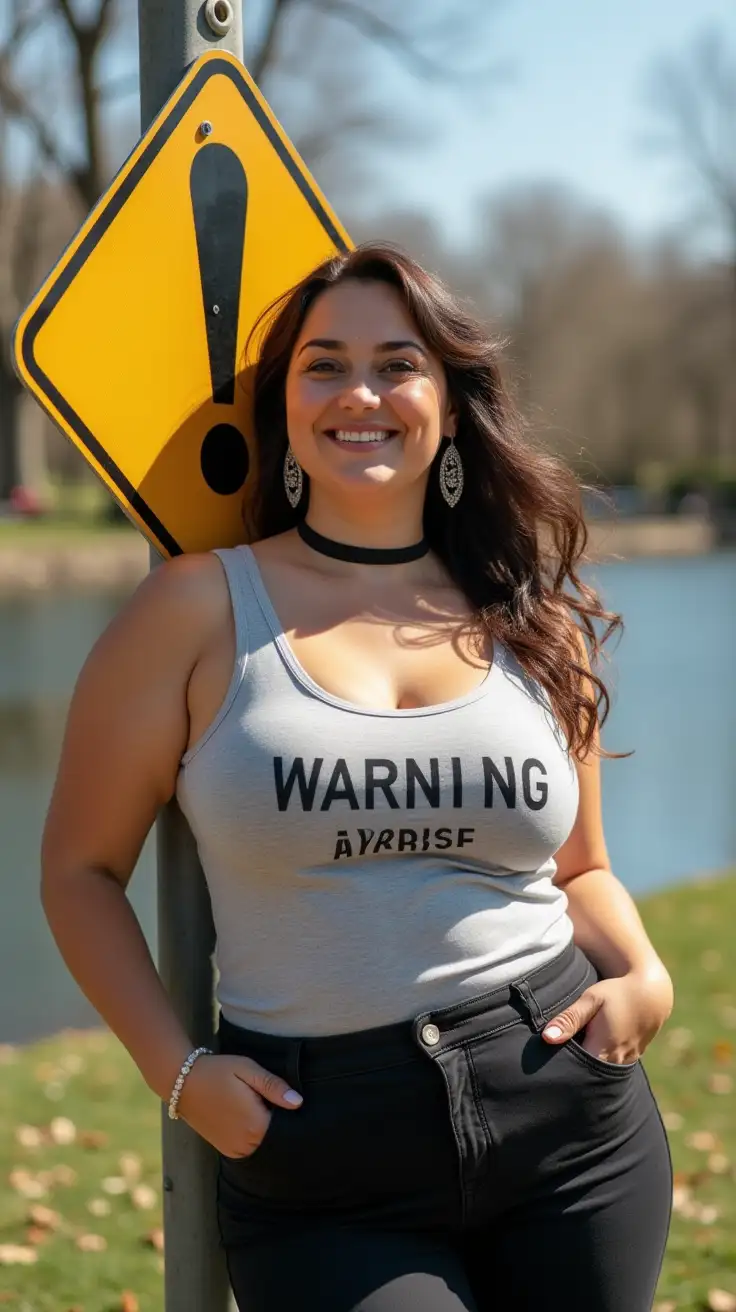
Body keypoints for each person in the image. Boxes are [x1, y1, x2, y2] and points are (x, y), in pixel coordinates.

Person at [41, 242, 674, 1312]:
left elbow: (584, 870)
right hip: (320, 1158)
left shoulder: (530, 615)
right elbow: (79, 871)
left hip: (568, 1123)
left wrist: (645, 973)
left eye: (397, 363)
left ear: (449, 403)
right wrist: (182, 1077)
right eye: (323, 366)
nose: (361, 394)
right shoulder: (196, 611)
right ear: (283, 409)